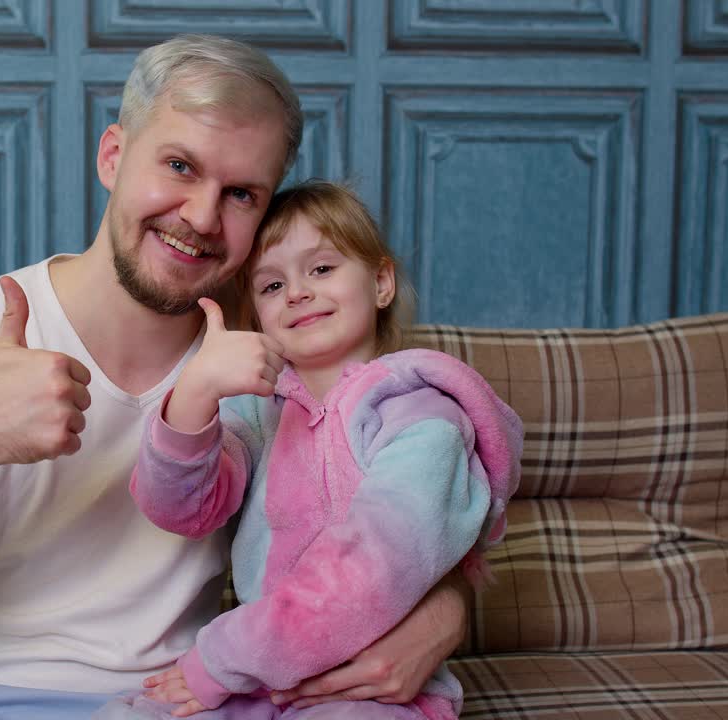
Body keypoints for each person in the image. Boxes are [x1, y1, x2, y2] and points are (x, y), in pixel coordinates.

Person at [0, 35, 474, 720]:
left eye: (240, 194)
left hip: (182, 701)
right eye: (179, 166)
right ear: (113, 155)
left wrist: (443, 616)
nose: (200, 216)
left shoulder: (268, 356)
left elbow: (380, 510)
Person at [94, 181, 523, 720]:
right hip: (257, 684)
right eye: (272, 285)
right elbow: (180, 510)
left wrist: (221, 659)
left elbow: (373, 565)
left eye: (321, 269)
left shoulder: (422, 419)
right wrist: (196, 393)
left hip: (369, 684)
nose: (297, 292)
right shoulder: (255, 414)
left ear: (382, 282)